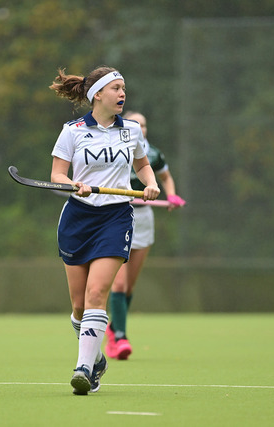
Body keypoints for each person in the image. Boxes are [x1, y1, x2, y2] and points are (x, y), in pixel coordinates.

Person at [49, 66, 160, 395]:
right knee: (79, 306)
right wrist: (74, 185)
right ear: (97, 94)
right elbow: (57, 175)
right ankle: (95, 358)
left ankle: (83, 369)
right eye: (116, 88)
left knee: (97, 294)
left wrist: (151, 184)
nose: (122, 93)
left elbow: (143, 164)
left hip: (115, 218)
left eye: (123, 88)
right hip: (78, 218)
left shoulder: (132, 131)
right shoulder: (72, 131)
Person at [105, 111, 185, 360]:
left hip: (143, 218)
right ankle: (120, 337)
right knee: (118, 284)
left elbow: (166, 178)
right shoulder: (113, 149)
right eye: (135, 123)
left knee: (129, 286)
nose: (141, 128)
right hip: (117, 214)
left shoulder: (153, 154)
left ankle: (113, 328)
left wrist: (171, 195)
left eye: (144, 124)